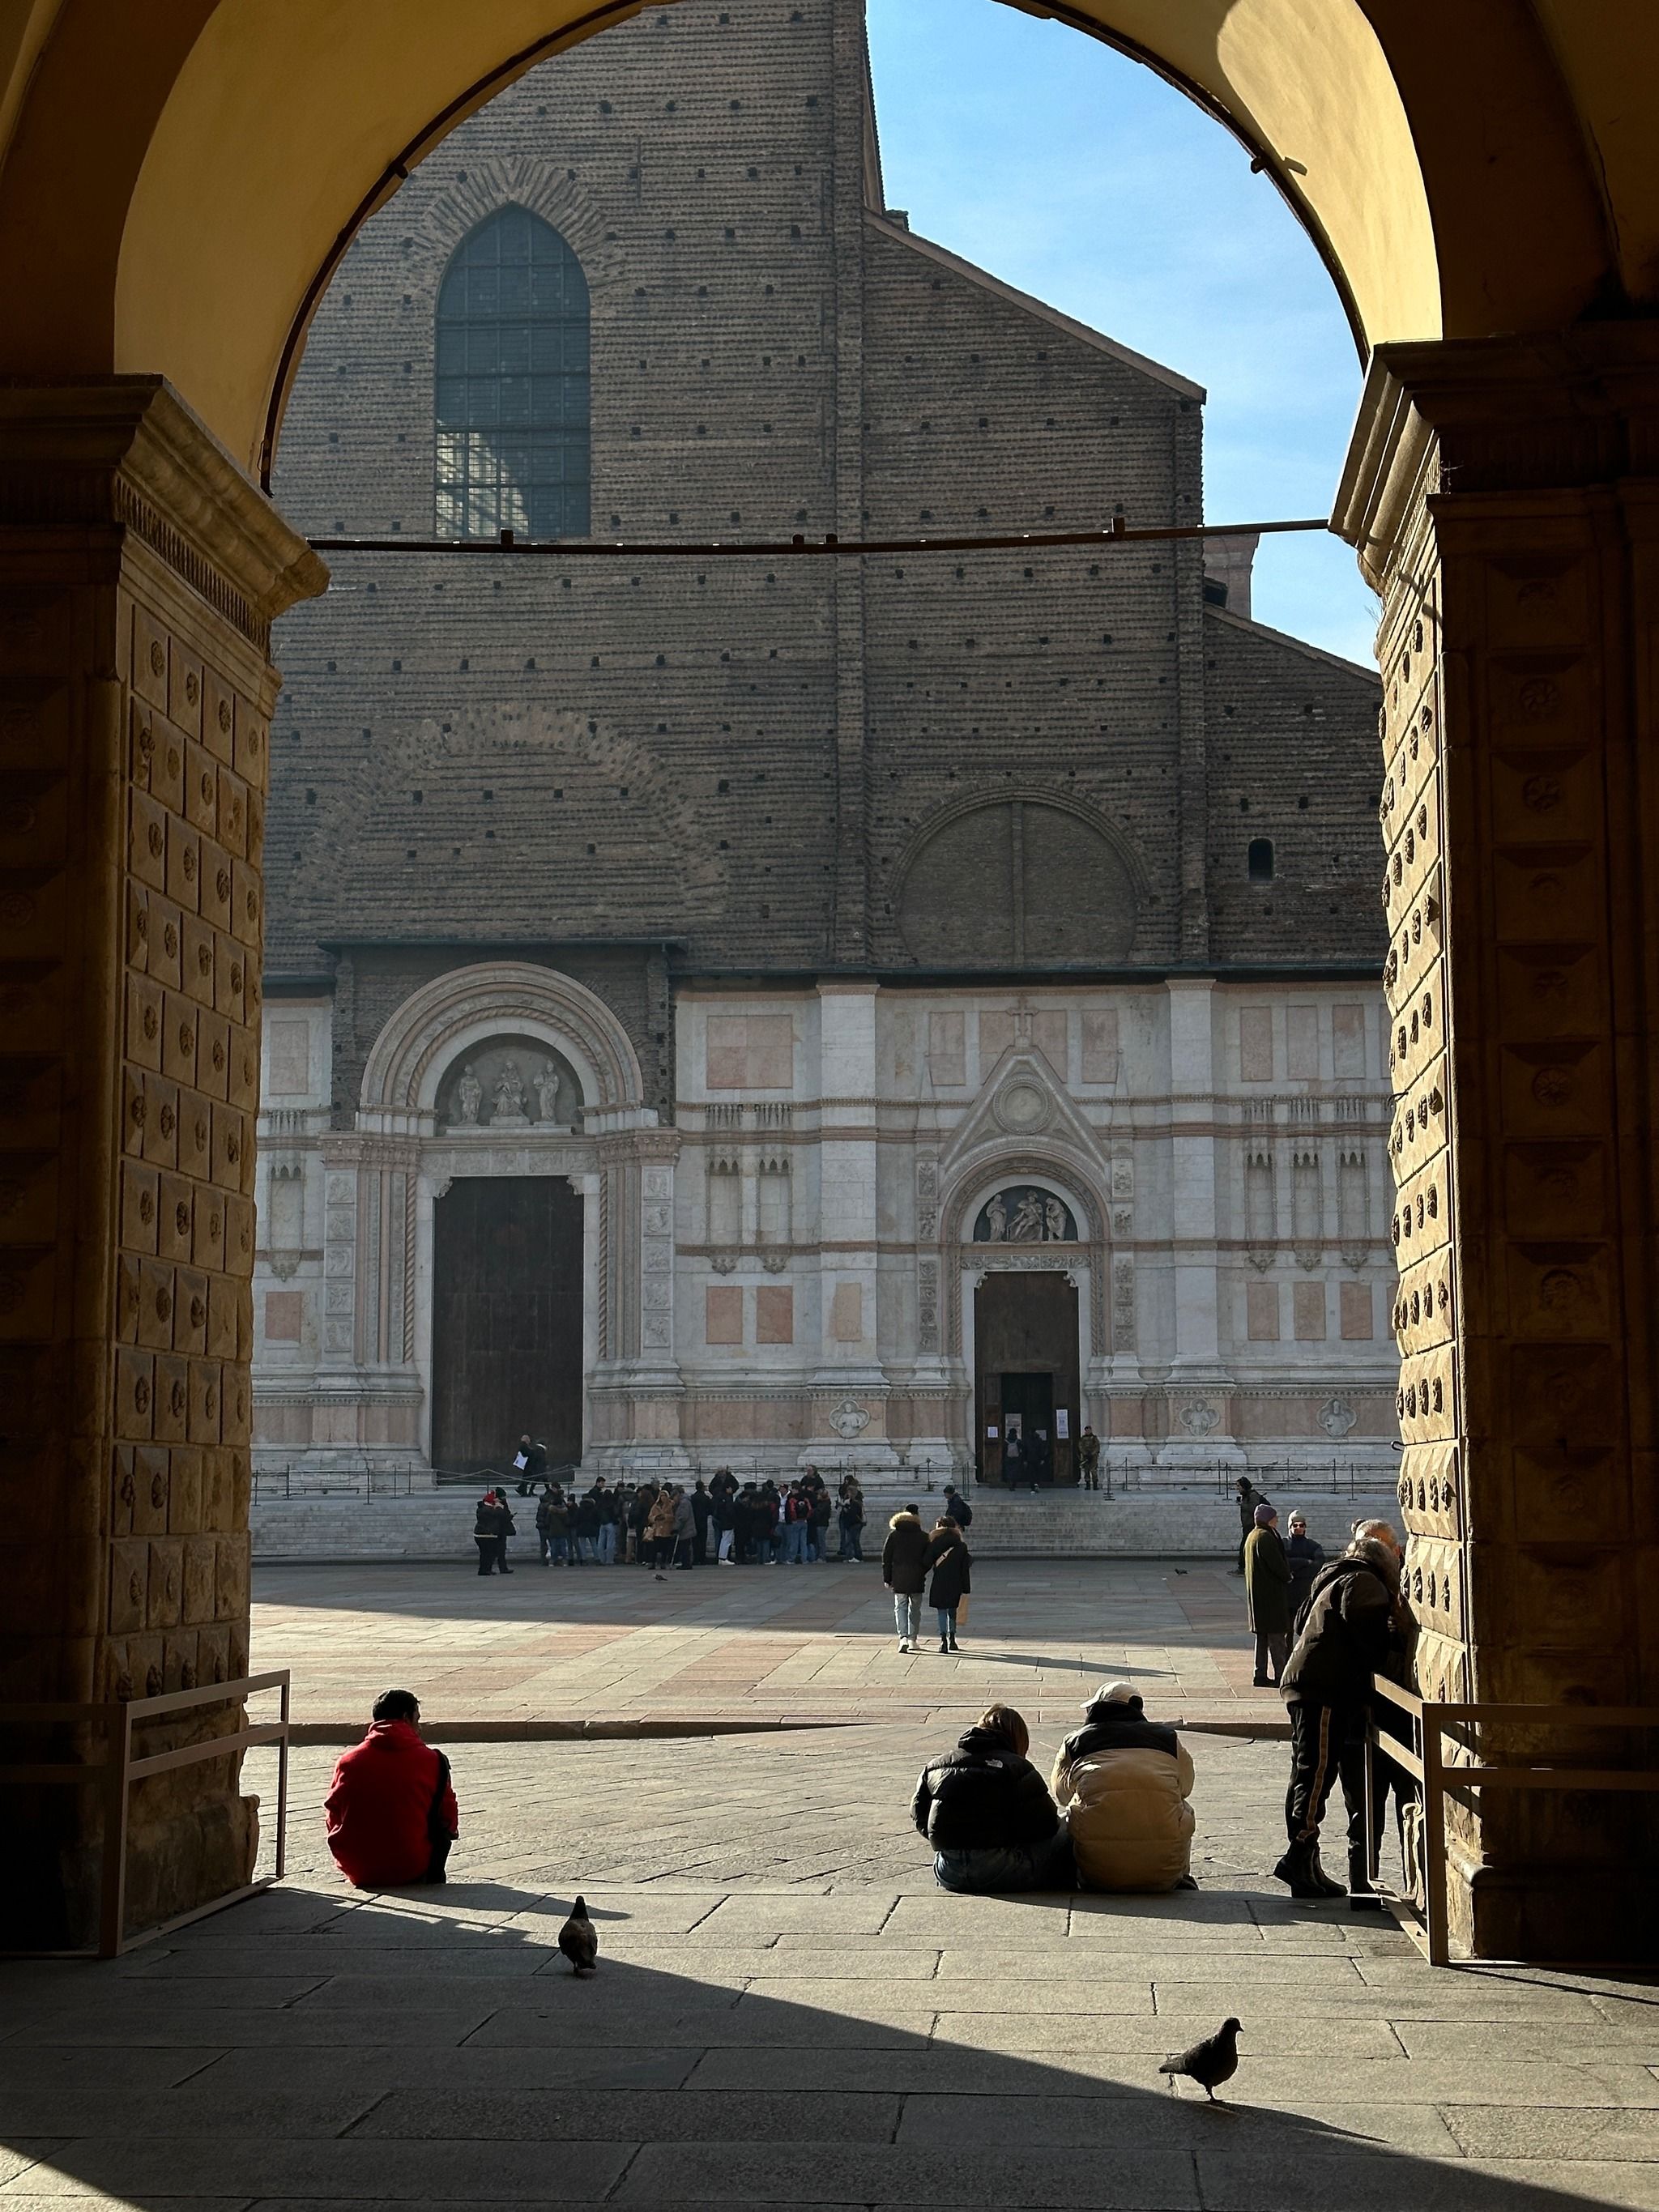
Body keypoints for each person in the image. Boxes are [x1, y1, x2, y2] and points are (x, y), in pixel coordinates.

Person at [1276, 1524, 1411, 1900]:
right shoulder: (1364, 1583)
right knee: (1316, 1773)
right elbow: (1369, 1643)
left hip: (1310, 1684)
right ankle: (1299, 1856)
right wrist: (1396, 1638)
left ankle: (1307, 1861)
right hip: (1323, 1687)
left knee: (1310, 1770)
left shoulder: (1332, 1577)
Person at [911, 1703, 1073, 1894]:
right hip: (1004, 1871)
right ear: (1018, 1738)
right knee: (1067, 1824)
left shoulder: (935, 1766)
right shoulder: (1018, 1768)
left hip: (948, 1871)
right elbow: (1045, 1825)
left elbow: (920, 1817)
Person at [1051, 1682, 1196, 1892]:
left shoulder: (1075, 1742)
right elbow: (1186, 1786)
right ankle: (1182, 1876)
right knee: (1181, 1806)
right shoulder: (1169, 1739)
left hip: (1097, 1875)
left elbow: (1062, 1795)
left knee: (1075, 1805)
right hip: (1164, 1875)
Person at [324, 1690, 458, 1890]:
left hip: (357, 1868)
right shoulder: (432, 1760)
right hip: (411, 1866)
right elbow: (449, 1818)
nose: (419, 1728)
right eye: (417, 1720)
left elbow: (333, 1814)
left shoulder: (347, 1761)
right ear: (406, 1718)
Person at [1244, 1502, 1292, 1686]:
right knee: (1277, 1639)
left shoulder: (1252, 1536)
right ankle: (1280, 1675)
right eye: (1275, 1517)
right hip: (1271, 1596)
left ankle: (1260, 1674)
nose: (1277, 1520)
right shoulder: (1265, 1537)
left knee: (1262, 1638)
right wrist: (1288, 1576)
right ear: (1269, 1519)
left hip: (1258, 1597)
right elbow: (1277, 1565)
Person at [883, 1503, 930, 1652]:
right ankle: (913, 1639)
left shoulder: (894, 1536)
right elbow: (928, 1558)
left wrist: (887, 1578)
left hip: (899, 1576)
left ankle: (902, 1637)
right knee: (915, 1609)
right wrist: (922, 1570)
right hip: (916, 1577)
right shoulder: (923, 1536)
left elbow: (887, 1559)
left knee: (900, 1607)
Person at [926, 1515, 971, 1652]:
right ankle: (952, 1639)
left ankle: (943, 1641)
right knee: (952, 1611)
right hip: (956, 1582)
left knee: (941, 1611)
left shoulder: (934, 1543)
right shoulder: (961, 1545)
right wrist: (966, 1588)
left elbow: (926, 1562)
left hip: (940, 1581)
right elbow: (965, 1569)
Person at [1285, 1511, 1326, 1622]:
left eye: (1301, 1525)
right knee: (1287, 1627)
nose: (1298, 1528)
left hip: (1305, 1591)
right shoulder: (1282, 1544)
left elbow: (1318, 1566)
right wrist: (1305, 1562)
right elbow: (1282, 1563)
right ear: (1290, 1527)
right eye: (1295, 1525)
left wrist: (1296, 1571)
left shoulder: (1313, 1546)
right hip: (1288, 1592)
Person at [1234, 1476, 1270, 1574]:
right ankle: (1244, 1566)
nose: (1237, 1488)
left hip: (1251, 1525)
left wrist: (1242, 1504)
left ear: (1244, 1486)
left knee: (1245, 1547)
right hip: (1247, 1526)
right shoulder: (1247, 1496)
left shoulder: (1253, 1495)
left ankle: (1242, 1567)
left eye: (1238, 1486)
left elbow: (1254, 1509)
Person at [838, 1477, 865, 1562]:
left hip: (855, 1523)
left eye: (849, 1492)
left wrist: (846, 1508)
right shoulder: (848, 1500)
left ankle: (856, 1557)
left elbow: (853, 1512)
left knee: (854, 1540)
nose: (848, 1493)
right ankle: (850, 1556)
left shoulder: (856, 1502)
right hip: (850, 1522)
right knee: (850, 1540)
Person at [691, 1477, 711, 1564]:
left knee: (695, 1541)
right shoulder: (706, 1498)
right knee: (703, 1541)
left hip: (695, 1521)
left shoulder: (692, 1498)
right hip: (703, 1520)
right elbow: (710, 1509)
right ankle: (702, 1558)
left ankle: (696, 1558)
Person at [1078, 1426, 1101, 1490]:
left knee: (1093, 1470)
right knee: (1086, 1470)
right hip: (1086, 1456)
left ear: (1091, 1430)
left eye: (1089, 1430)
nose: (1088, 1432)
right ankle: (1088, 1485)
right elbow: (1080, 1446)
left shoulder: (1094, 1438)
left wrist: (1092, 1454)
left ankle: (1095, 1485)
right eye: (1087, 1430)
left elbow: (1097, 1447)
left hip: (1093, 1457)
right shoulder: (1083, 1438)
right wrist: (1085, 1453)